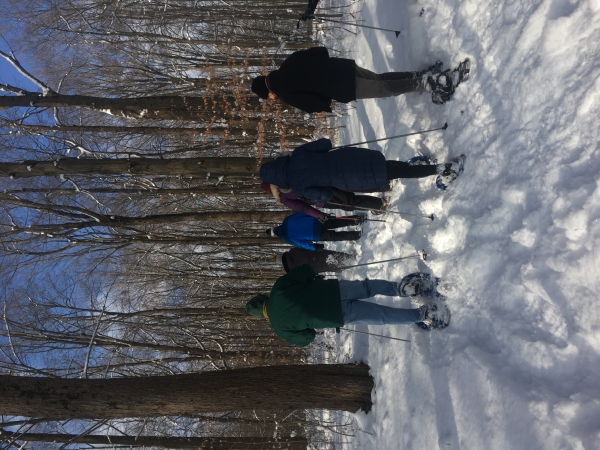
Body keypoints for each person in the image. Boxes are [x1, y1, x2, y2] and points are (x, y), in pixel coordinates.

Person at [244, 265, 450, 347]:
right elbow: (306, 270)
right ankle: (403, 289)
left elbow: (307, 338)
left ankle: (425, 314)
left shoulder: (280, 328)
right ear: (263, 297)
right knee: (368, 287)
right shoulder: (278, 288)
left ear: (262, 316)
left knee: (381, 315)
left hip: (336, 315)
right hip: (333, 290)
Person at [250, 46, 469, 113]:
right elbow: (320, 51)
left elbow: (314, 104)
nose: (271, 98)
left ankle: (437, 83)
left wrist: (327, 104)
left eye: (268, 97)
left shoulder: (285, 93)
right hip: (343, 68)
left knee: (384, 89)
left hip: (344, 87)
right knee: (382, 80)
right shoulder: (288, 62)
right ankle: (423, 76)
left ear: (268, 92)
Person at [260, 138, 466, 204]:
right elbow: (326, 143)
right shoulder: (297, 154)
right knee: (390, 166)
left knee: (393, 172)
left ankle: (441, 170)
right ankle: (430, 168)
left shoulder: (298, 186)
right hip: (348, 158)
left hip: (349, 179)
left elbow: (325, 194)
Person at [260, 181, 388, 217]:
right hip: (324, 183)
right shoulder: (286, 178)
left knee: (349, 203)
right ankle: (383, 184)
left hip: (321, 199)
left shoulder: (283, 198)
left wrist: (318, 215)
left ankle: (378, 205)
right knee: (351, 186)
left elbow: (303, 207)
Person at [266, 212, 363, 250]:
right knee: (337, 221)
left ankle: (356, 235)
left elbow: (302, 244)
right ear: (275, 227)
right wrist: (317, 214)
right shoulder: (287, 220)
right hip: (316, 222)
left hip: (315, 235)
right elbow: (302, 214)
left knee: (335, 236)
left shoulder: (287, 238)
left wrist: (313, 248)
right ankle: (356, 219)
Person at [276, 248, 355, 273]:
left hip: (317, 267)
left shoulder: (292, 269)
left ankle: (352, 267)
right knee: (335, 255)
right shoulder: (293, 251)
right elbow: (306, 248)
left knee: (333, 266)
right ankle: (352, 257)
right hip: (318, 254)